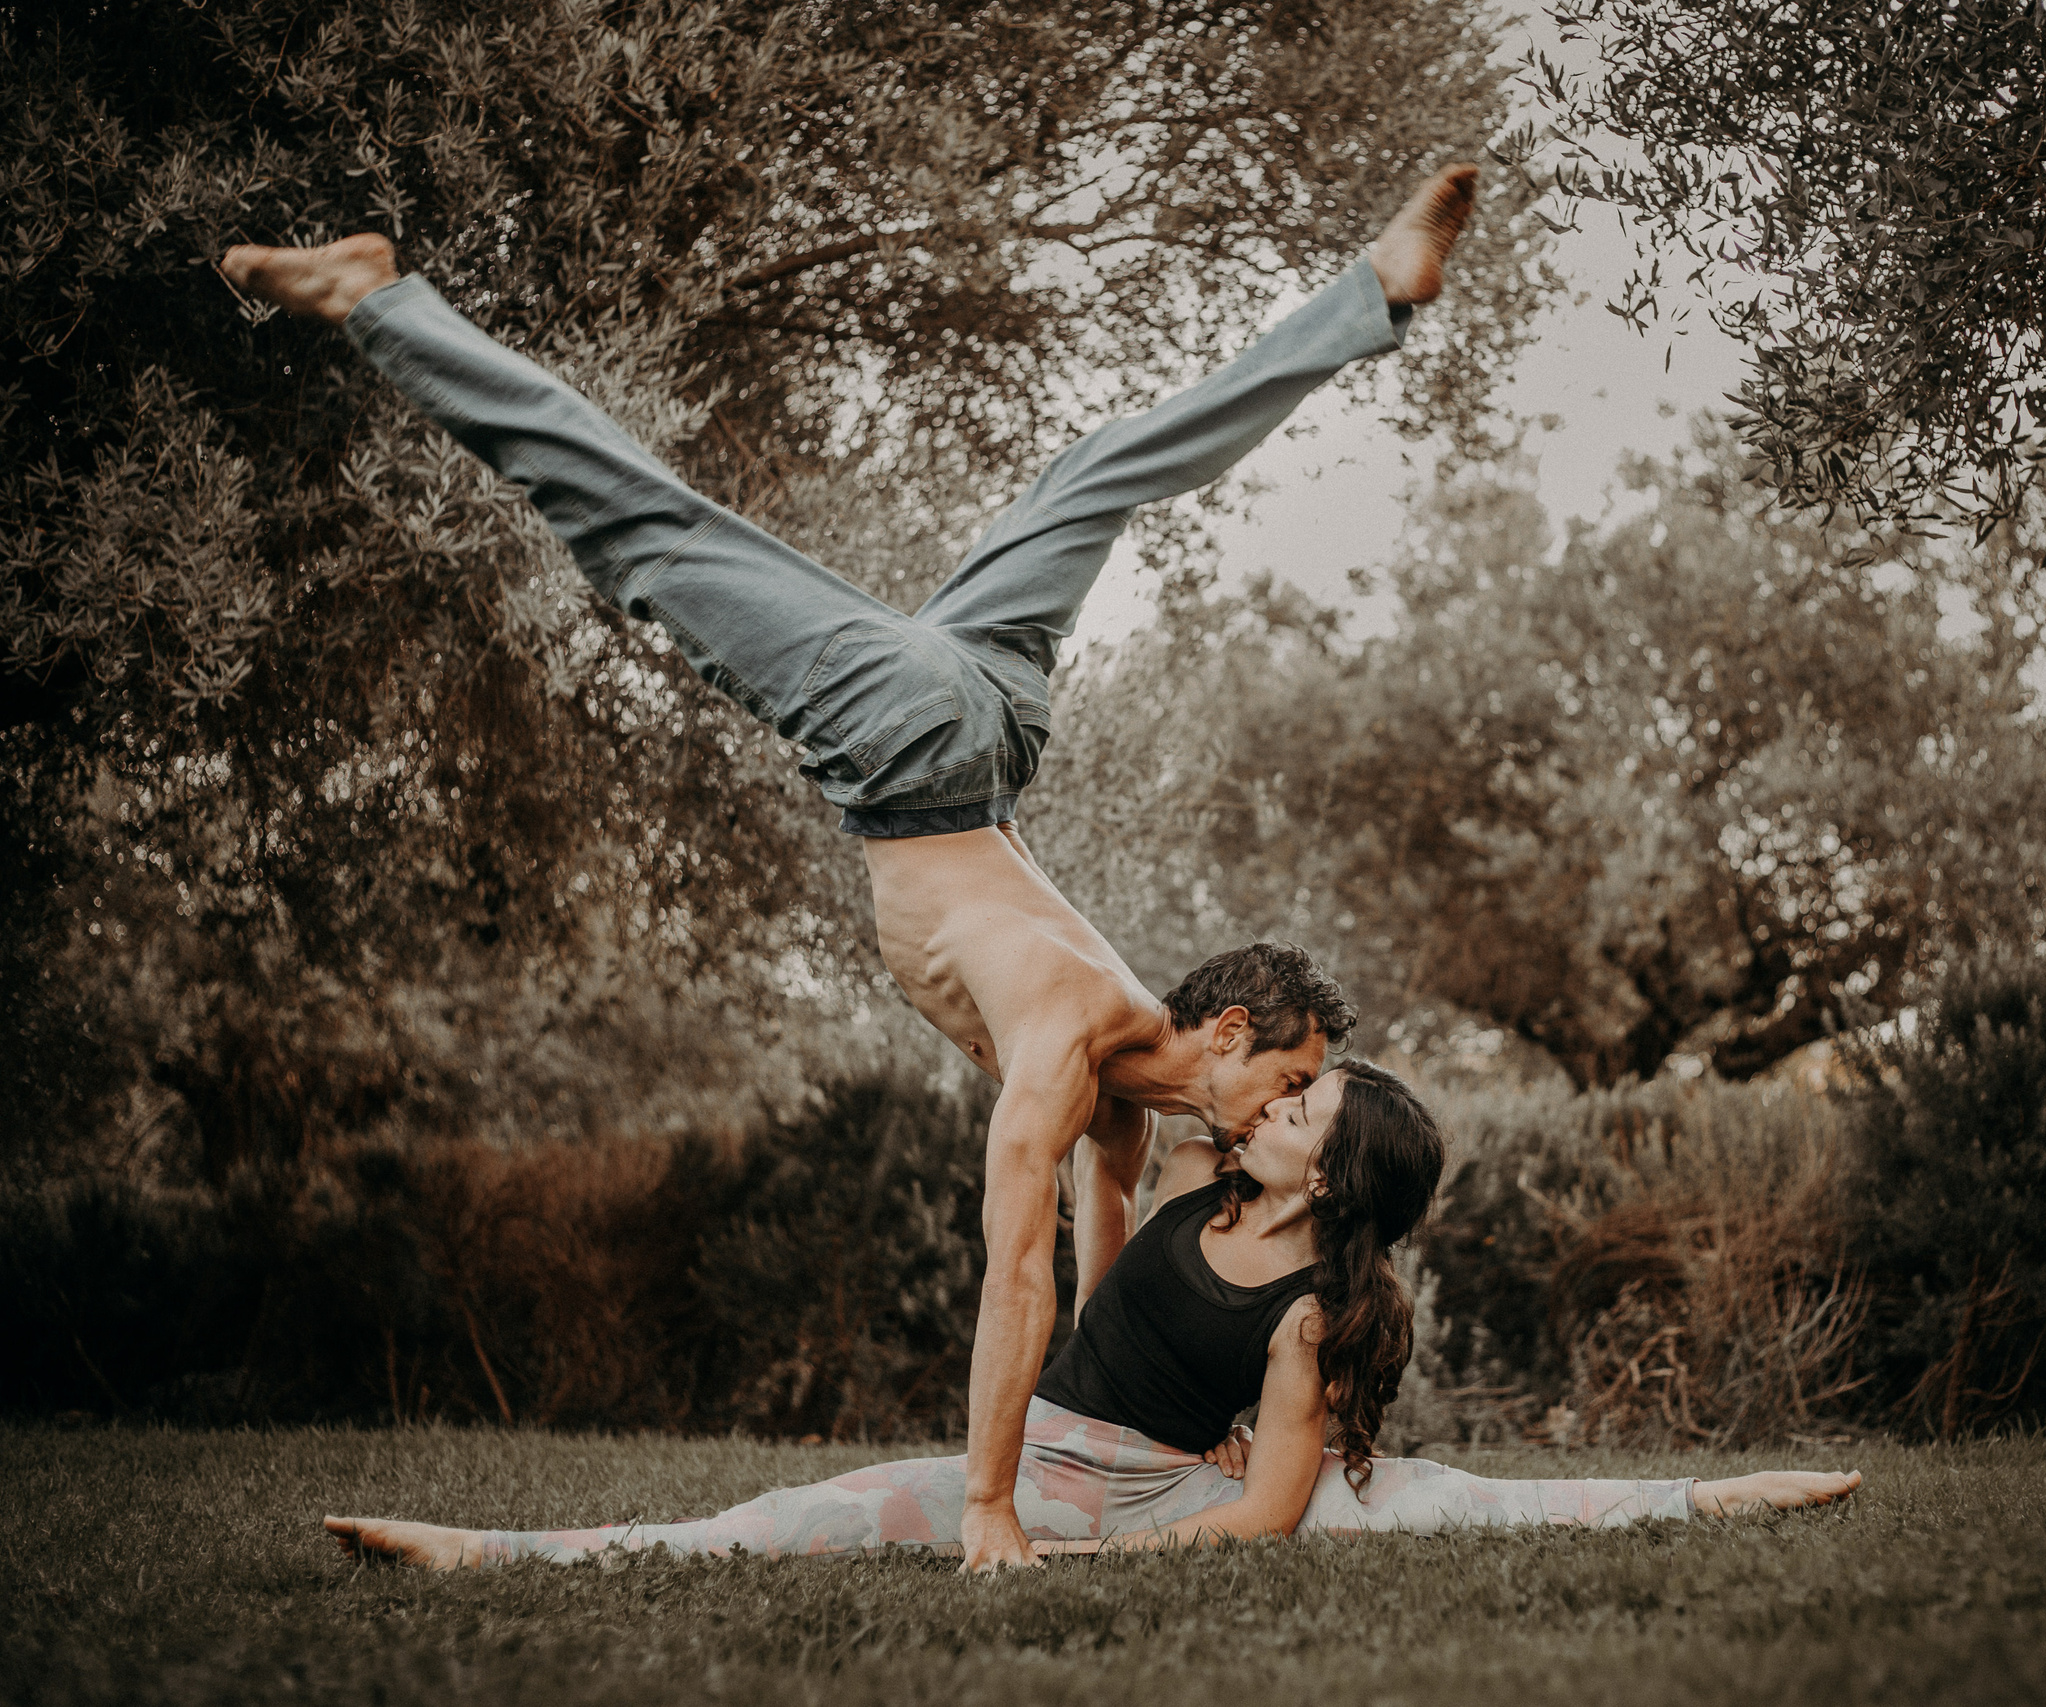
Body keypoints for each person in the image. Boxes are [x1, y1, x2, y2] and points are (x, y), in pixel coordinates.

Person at [222, 166, 1482, 1569]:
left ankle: (1371, 295)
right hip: (919, 743)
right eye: (1293, 1081)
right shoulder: (1073, 1049)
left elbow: (1103, 1276)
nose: (1283, 1114)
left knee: (1111, 467)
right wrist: (992, 1510)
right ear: (1232, 1032)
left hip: (989, 725)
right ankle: (378, 301)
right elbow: (1017, 1276)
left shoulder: (1124, 1091)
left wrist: (1139, 1439)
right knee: (648, 529)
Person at [322, 1059, 1863, 1569]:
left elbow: (1264, 1516)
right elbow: (1111, 1224)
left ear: (1335, 1176)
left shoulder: (1312, 1313)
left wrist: (1082, 1561)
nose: (1275, 1104)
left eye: (1303, 1109)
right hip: (1048, 1453)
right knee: (782, 1516)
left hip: (1127, 1495)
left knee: (1441, 1500)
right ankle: (489, 1550)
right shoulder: (1203, 1182)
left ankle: (1715, 1493)